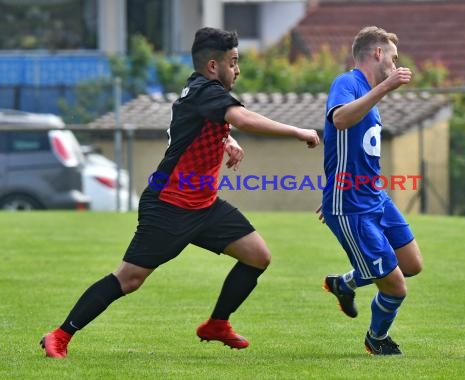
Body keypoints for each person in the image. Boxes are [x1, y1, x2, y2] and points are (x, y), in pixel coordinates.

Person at [40, 27, 320, 358]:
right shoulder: (207, 91)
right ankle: (59, 334)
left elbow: (185, 129)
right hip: (169, 206)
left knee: (258, 256)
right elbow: (241, 117)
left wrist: (225, 140)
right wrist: (296, 130)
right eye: (233, 62)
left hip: (203, 204)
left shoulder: (195, 90)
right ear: (213, 66)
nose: (238, 69)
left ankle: (217, 324)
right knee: (129, 279)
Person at [317, 26, 423, 355]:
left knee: (412, 264)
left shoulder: (369, 95)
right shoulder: (347, 83)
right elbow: (340, 121)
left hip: (374, 197)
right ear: (377, 53)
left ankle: (344, 283)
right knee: (395, 286)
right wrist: (336, 197)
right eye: (393, 57)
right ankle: (376, 340)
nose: (395, 64)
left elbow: (350, 152)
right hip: (352, 205)